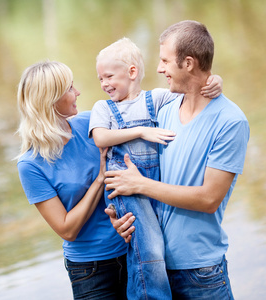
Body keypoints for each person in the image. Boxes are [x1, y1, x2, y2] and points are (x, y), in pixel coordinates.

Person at [104, 20, 250, 300]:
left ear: (189, 63)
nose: (159, 69)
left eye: (165, 61)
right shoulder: (164, 110)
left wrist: (139, 185)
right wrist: (120, 214)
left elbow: (209, 199)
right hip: (153, 270)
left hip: (201, 273)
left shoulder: (231, 122)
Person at [89, 37, 223, 299]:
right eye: (100, 79)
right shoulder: (103, 108)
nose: (104, 84)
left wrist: (215, 81)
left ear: (132, 72)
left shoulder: (157, 99)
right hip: (126, 187)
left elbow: (191, 89)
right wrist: (142, 131)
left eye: (108, 77)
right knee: (148, 249)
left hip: (153, 184)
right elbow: (101, 138)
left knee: (158, 246)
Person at [16, 61, 128, 300]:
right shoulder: (30, 165)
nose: (77, 93)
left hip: (133, 251)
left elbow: (142, 106)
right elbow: (67, 229)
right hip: (91, 271)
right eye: (69, 88)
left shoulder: (91, 123)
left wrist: (207, 84)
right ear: (50, 99)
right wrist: (100, 179)